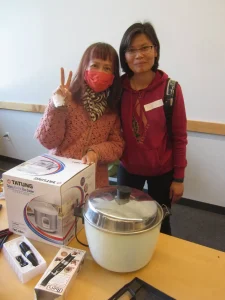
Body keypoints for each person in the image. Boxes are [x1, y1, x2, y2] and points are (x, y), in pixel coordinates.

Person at [117, 22, 187, 235]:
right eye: (131, 50)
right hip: (128, 169)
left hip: (162, 171)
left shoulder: (170, 89)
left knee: (161, 224)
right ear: (124, 56)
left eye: (145, 47)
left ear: (155, 50)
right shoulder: (118, 88)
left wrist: (179, 178)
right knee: (125, 220)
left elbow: (179, 137)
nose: (139, 55)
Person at [35, 42, 124, 188]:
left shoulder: (112, 109)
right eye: (95, 65)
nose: (100, 71)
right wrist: (57, 106)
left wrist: (96, 152)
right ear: (84, 67)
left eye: (107, 68)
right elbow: (47, 141)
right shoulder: (66, 97)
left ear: (113, 76)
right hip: (59, 178)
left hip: (94, 182)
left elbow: (117, 145)